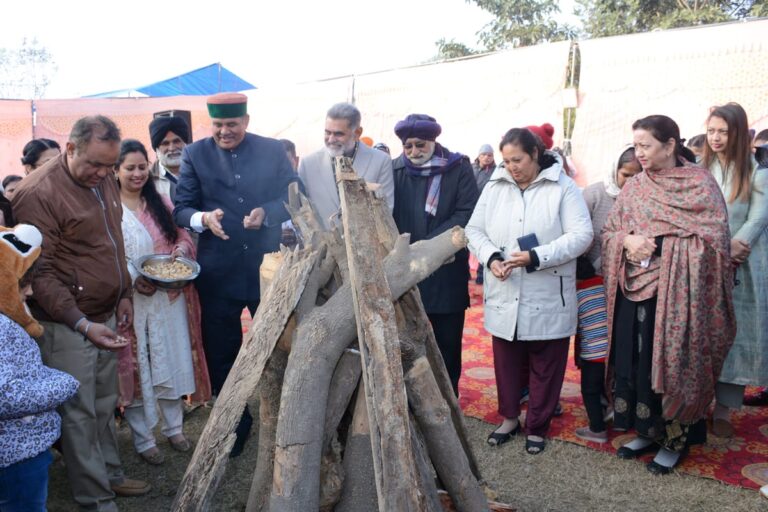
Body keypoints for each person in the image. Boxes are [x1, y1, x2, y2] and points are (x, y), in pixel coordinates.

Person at [12, 115, 151, 510]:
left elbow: (113, 240)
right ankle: (95, 497)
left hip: (103, 313)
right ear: (70, 148)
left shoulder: (100, 176)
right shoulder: (37, 193)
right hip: (65, 323)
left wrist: (123, 292)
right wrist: (82, 323)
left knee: (105, 402)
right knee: (78, 412)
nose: (104, 174)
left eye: (109, 165)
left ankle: (111, 474)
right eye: (95, 164)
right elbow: (40, 274)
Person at [603, 114, 735, 474]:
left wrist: (662, 245)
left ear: (670, 145)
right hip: (634, 288)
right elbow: (611, 231)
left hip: (679, 297)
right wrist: (627, 240)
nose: (639, 153)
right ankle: (646, 432)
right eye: (636, 146)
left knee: (673, 365)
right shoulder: (636, 186)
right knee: (636, 362)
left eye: (645, 145)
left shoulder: (699, 185)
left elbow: (716, 243)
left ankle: (674, 441)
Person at [173, 93, 299, 457]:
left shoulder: (271, 150)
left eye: (232, 124)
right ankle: (234, 423)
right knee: (222, 352)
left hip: (267, 270)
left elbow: (294, 192)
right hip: (218, 275)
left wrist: (267, 212)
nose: (224, 131)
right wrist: (204, 219)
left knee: (279, 345)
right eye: (218, 125)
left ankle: (287, 419)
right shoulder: (195, 154)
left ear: (246, 120)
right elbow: (182, 209)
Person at [466, 127, 592, 454]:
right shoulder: (495, 185)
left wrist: (538, 256)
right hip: (505, 288)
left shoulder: (562, 186)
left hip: (548, 291)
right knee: (507, 362)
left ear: (535, 154)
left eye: (518, 160)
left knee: (546, 364)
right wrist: (491, 258)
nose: (512, 167)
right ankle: (509, 417)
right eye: (507, 161)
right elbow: (474, 230)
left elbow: (581, 235)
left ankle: (537, 425)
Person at [115, 139, 211, 465]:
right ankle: (143, 439)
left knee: (171, 360)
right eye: (130, 168)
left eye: (142, 167)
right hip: (131, 302)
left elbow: (182, 234)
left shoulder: (159, 200)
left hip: (168, 296)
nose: (137, 173)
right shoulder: (108, 209)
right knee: (139, 366)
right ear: (116, 170)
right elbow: (104, 255)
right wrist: (132, 277)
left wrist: (181, 251)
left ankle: (174, 428)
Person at [391, 114, 479, 396]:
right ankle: (413, 404)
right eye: (408, 146)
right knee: (407, 343)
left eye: (420, 145)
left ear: (433, 141)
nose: (414, 152)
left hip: (446, 271)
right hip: (407, 273)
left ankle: (449, 400)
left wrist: (428, 247)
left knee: (447, 345)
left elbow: (467, 212)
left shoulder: (458, 167)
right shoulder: (394, 169)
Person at [0, 223, 80, 512]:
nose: (31, 291)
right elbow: (6, 395)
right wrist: (62, 384)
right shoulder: (2, 329)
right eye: (23, 284)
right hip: (17, 455)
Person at [701, 103, 768, 437]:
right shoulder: (700, 169)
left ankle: (724, 409)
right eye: (711, 130)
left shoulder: (757, 171)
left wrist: (734, 247)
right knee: (701, 334)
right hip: (702, 261)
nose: (715, 138)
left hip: (740, 264)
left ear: (739, 133)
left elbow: (758, 217)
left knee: (734, 336)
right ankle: (696, 403)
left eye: (723, 132)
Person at [575, 145, 641, 443]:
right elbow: (580, 235)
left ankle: (615, 407)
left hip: (628, 285)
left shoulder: (645, 197)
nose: (630, 182)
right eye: (626, 175)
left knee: (619, 349)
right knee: (595, 347)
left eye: (637, 176)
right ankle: (600, 409)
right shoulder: (594, 194)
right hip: (592, 282)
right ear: (615, 169)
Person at [298, 103, 394, 229]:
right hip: (323, 241)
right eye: (327, 133)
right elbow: (302, 213)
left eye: (338, 134)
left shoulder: (380, 161)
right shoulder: (308, 165)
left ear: (357, 133)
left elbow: (386, 212)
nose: (331, 139)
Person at [148, 116, 191, 202]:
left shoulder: (201, 172)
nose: (172, 148)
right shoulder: (148, 181)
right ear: (156, 148)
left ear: (185, 143)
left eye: (176, 141)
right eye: (165, 143)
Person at [471, 143, 496, 284]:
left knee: (484, 241)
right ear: (479, 156)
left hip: (487, 212)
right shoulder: (471, 169)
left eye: (489, 155)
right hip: (470, 210)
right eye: (484, 154)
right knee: (465, 241)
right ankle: (465, 272)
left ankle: (481, 274)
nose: (487, 157)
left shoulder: (497, 172)